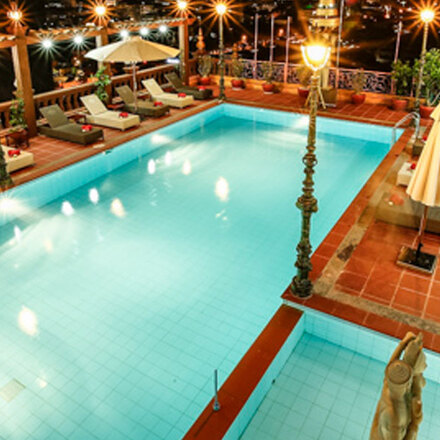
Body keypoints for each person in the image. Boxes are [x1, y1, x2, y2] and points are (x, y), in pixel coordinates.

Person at [370, 332, 416, 440]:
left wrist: (403, 344)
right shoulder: (396, 416)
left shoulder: (388, 388)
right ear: (407, 385)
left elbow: (391, 365)